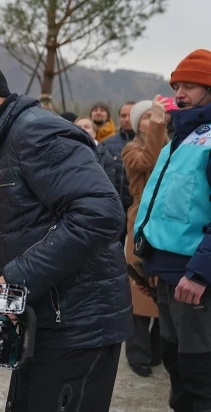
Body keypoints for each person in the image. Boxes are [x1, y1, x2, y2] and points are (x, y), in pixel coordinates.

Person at [0, 54, 132, 412]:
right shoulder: (3, 143)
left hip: (78, 325)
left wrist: (14, 280)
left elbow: (100, 213)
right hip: (48, 321)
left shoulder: (36, 132)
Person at [134, 49, 211, 412]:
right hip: (167, 277)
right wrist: (145, 261)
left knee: (201, 378)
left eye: (190, 86)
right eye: (176, 85)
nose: (179, 93)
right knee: (177, 371)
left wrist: (200, 273)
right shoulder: (180, 137)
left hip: (195, 283)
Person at [121, 98, 169, 377]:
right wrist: (159, 124)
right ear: (138, 123)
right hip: (142, 218)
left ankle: (156, 350)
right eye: (147, 117)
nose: (154, 120)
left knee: (163, 284)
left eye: (157, 116)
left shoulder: (172, 146)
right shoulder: (131, 148)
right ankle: (137, 353)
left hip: (167, 220)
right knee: (140, 285)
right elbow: (148, 161)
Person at [100, 101, 137, 245]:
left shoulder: (148, 143)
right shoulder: (107, 144)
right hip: (115, 206)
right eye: (123, 116)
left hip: (138, 207)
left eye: (130, 115)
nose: (127, 119)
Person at [75, 116, 117, 186]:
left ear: (94, 133)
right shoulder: (67, 154)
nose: (82, 129)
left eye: (87, 127)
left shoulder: (105, 157)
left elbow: (110, 185)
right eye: (78, 127)